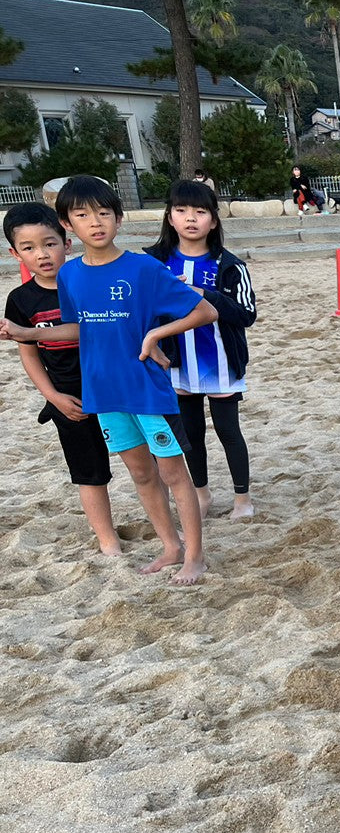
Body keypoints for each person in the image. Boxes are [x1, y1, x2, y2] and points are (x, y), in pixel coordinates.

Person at [53, 176, 217, 583]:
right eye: (83, 215)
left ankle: (194, 555)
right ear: (67, 225)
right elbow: (79, 329)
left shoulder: (143, 268)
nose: (96, 222)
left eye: (104, 213)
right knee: (141, 474)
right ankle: (170, 546)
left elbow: (205, 312)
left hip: (147, 390)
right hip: (103, 392)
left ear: (119, 219)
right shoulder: (69, 275)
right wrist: (28, 334)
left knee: (174, 474)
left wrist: (156, 333)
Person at [0, 203, 118, 555]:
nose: (42, 254)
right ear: (14, 253)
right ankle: (108, 539)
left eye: (49, 243)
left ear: (67, 243)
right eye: (29, 248)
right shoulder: (20, 300)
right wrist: (53, 397)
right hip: (70, 397)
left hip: (115, 385)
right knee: (89, 472)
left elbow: (107, 329)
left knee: (146, 462)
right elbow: (29, 353)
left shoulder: (89, 280)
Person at [144, 179, 258, 521]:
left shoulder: (230, 266)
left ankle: (243, 499)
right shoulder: (152, 263)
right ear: (169, 217)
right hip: (175, 363)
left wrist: (204, 293)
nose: (190, 218)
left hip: (220, 362)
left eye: (200, 211)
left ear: (214, 220)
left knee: (228, 431)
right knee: (189, 434)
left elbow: (246, 315)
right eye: (181, 210)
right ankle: (201, 495)